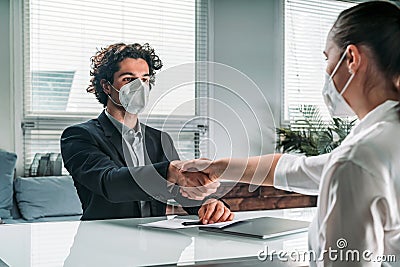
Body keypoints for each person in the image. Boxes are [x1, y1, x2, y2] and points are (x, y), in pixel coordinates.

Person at [181, 1, 400, 265]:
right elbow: (301, 169)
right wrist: (218, 167)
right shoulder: (381, 140)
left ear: (351, 59)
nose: (328, 70)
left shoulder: (358, 159)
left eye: (327, 58)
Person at [61, 43, 233, 224]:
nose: (139, 87)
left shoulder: (159, 139)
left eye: (144, 79)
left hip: (155, 240)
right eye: (128, 79)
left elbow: (181, 191)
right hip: (104, 240)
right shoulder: (79, 136)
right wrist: (169, 172)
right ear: (106, 86)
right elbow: (109, 183)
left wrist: (209, 203)